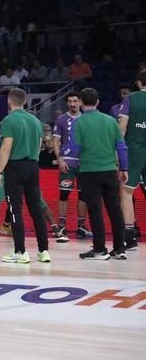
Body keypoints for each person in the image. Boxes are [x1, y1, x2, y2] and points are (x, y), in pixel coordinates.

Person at [0, 88, 52, 264]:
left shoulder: (9, 120)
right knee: (36, 210)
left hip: (15, 167)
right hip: (33, 166)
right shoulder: (36, 121)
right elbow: (39, 146)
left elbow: (6, 148)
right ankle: (44, 251)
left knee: (15, 210)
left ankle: (20, 252)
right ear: (25, 102)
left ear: (9, 102)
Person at [73, 88, 129, 260]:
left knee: (95, 210)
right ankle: (120, 249)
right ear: (97, 102)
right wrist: (124, 168)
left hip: (90, 171)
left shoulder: (79, 122)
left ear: (81, 103)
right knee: (115, 209)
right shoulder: (111, 121)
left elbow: (75, 148)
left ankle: (100, 249)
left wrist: (68, 161)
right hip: (111, 171)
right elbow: (121, 146)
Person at [51, 92, 89, 240]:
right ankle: (61, 225)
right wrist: (59, 160)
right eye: (70, 101)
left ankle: (81, 226)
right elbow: (55, 141)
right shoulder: (61, 119)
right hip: (67, 161)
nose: (73, 104)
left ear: (80, 102)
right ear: (67, 103)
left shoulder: (87, 118)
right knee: (64, 193)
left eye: (75, 101)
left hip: (84, 162)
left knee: (83, 195)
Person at [115, 70, 145, 252]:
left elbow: (122, 128)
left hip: (134, 150)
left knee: (126, 193)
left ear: (138, 83)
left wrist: (117, 152)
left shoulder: (130, 99)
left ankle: (130, 237)